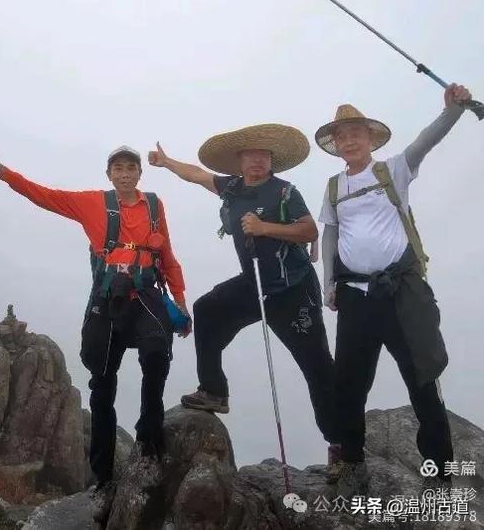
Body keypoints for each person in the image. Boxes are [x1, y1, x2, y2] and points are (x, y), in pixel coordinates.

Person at [0, 142, 191, 515]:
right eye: (118, 169)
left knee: (158, 351)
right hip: (107, 302)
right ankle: (103, 477)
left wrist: (181, 302)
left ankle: (149, 427)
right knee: (102, 382)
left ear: (139, 173)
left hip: (144, 296)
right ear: (109, 174)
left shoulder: (154, 206)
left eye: (131, 168)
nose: (124, 174)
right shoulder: (92, 203)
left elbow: (167, 256)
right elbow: (43, 195)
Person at [149, 123, 341, 469]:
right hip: (254, 284)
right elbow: (196, 175)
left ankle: (340, 442)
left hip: (293, 289)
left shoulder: (284, 192)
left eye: (263, 155)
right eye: (250, 155)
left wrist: (265, 228)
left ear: (272, 161)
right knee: (207, 310)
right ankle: (214, 391)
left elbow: (309, 229)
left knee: (317, 366)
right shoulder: (231, 188)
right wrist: (166, 162)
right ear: (239, 162)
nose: (257, 160)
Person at [317, 83, 472, 497]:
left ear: (370, 139)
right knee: (349, 382)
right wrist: (329, 283)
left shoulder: (393, 170)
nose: (349, 140)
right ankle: (352, 461)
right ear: (335, 144)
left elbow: (426, 141)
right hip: (355, 297)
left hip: (401, 292)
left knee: (421, 378)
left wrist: (453, 111)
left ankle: (439, 474)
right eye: (342, 135)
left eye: (357, 133)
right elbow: (330, 235)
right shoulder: (334, 188)